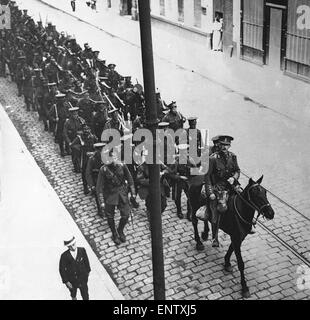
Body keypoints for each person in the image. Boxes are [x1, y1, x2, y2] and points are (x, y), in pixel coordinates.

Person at [204, 135, 241, 247]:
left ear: (229, 146)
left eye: (227, 145)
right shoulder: (213, 158)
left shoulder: (233, 157)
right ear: (219, 145)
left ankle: (247, 225)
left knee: (243, 200)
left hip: (231, 186)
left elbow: (237, 170)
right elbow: (207, 177)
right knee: (216, 210)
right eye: (222, 145)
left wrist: (234, 178)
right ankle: (214, 237)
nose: (224, 147)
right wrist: (210, 192)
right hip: (218, 188)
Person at [96, 147, 136, 245]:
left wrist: (133, 193)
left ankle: (120, 229)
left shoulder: (122, 165)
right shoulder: (103, 169)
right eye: (110, 158)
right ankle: (114, 233)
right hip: (110, 195)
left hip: (122, 193)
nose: (113, 159)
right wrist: (101, 202)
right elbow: (99, 187)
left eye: (114, 157)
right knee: (110, 216)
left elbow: (130, 179)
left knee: (126, 215)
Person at [59, 236, 91, 300]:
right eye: (69, 246)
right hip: (72, 280)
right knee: (73, 293)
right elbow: (62, 269)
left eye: (73, 245)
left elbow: (86, 262)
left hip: (82, 279)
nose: (72, 247)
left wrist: (87, 273)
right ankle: (74, 297)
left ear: (75, 242)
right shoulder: (64, 256)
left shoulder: (82, 250)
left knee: (85, 295)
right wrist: (66, 281)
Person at [86, 142, 106, 216]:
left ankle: (107, 209)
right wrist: (91, 185)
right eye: (99, 150)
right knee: (98, 197)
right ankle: (100, 210)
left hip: (106, 180)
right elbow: (88, 173)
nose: (101, 152)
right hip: (96, 181)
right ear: (96, 151)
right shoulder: (92, 160)